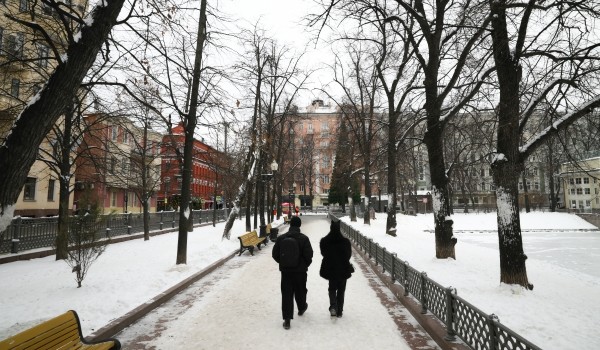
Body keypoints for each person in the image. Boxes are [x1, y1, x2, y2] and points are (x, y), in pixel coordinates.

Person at [272, 216, 313, 330]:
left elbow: (275, 254)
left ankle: (287, 320)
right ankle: (301, 308)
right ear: (299, 225)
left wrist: (283, 263)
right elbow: (309, 255)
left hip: (286, 272)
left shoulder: (281, 238)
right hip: (300, 272)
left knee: (286, 294)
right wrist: (303, 265)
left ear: (290, 225)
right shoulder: (304, 238)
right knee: (301, 291)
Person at [319, 219, 353, 318]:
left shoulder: (325, 241)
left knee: (332, 288)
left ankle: (333, 306)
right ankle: (340, 311)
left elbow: (323, 253)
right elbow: (348, 255)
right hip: (343, 268)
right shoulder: (345, 242)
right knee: (341, 290)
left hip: (331, 268)